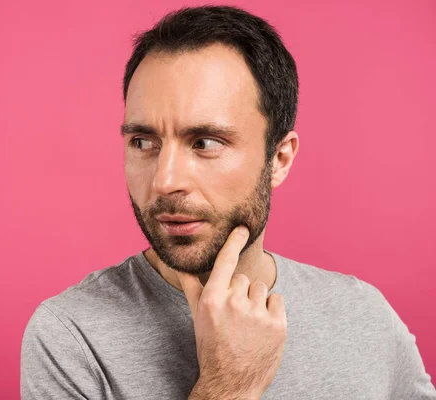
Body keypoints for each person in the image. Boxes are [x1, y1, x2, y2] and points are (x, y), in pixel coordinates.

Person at [21, 5, 436, 399]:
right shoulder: (71, 336)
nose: (165, 181)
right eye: (143, 142)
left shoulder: (363, 316)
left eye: (204, 143)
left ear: (279, 158)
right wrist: (230, 386)